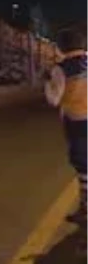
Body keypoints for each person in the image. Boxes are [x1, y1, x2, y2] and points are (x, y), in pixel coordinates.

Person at [47, 28, 88, 224]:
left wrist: (48, 86)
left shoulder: (61, 68)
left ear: (63, 46)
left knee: (83, 166)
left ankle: (86, 208)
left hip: (78, 122)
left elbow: (54, 99)